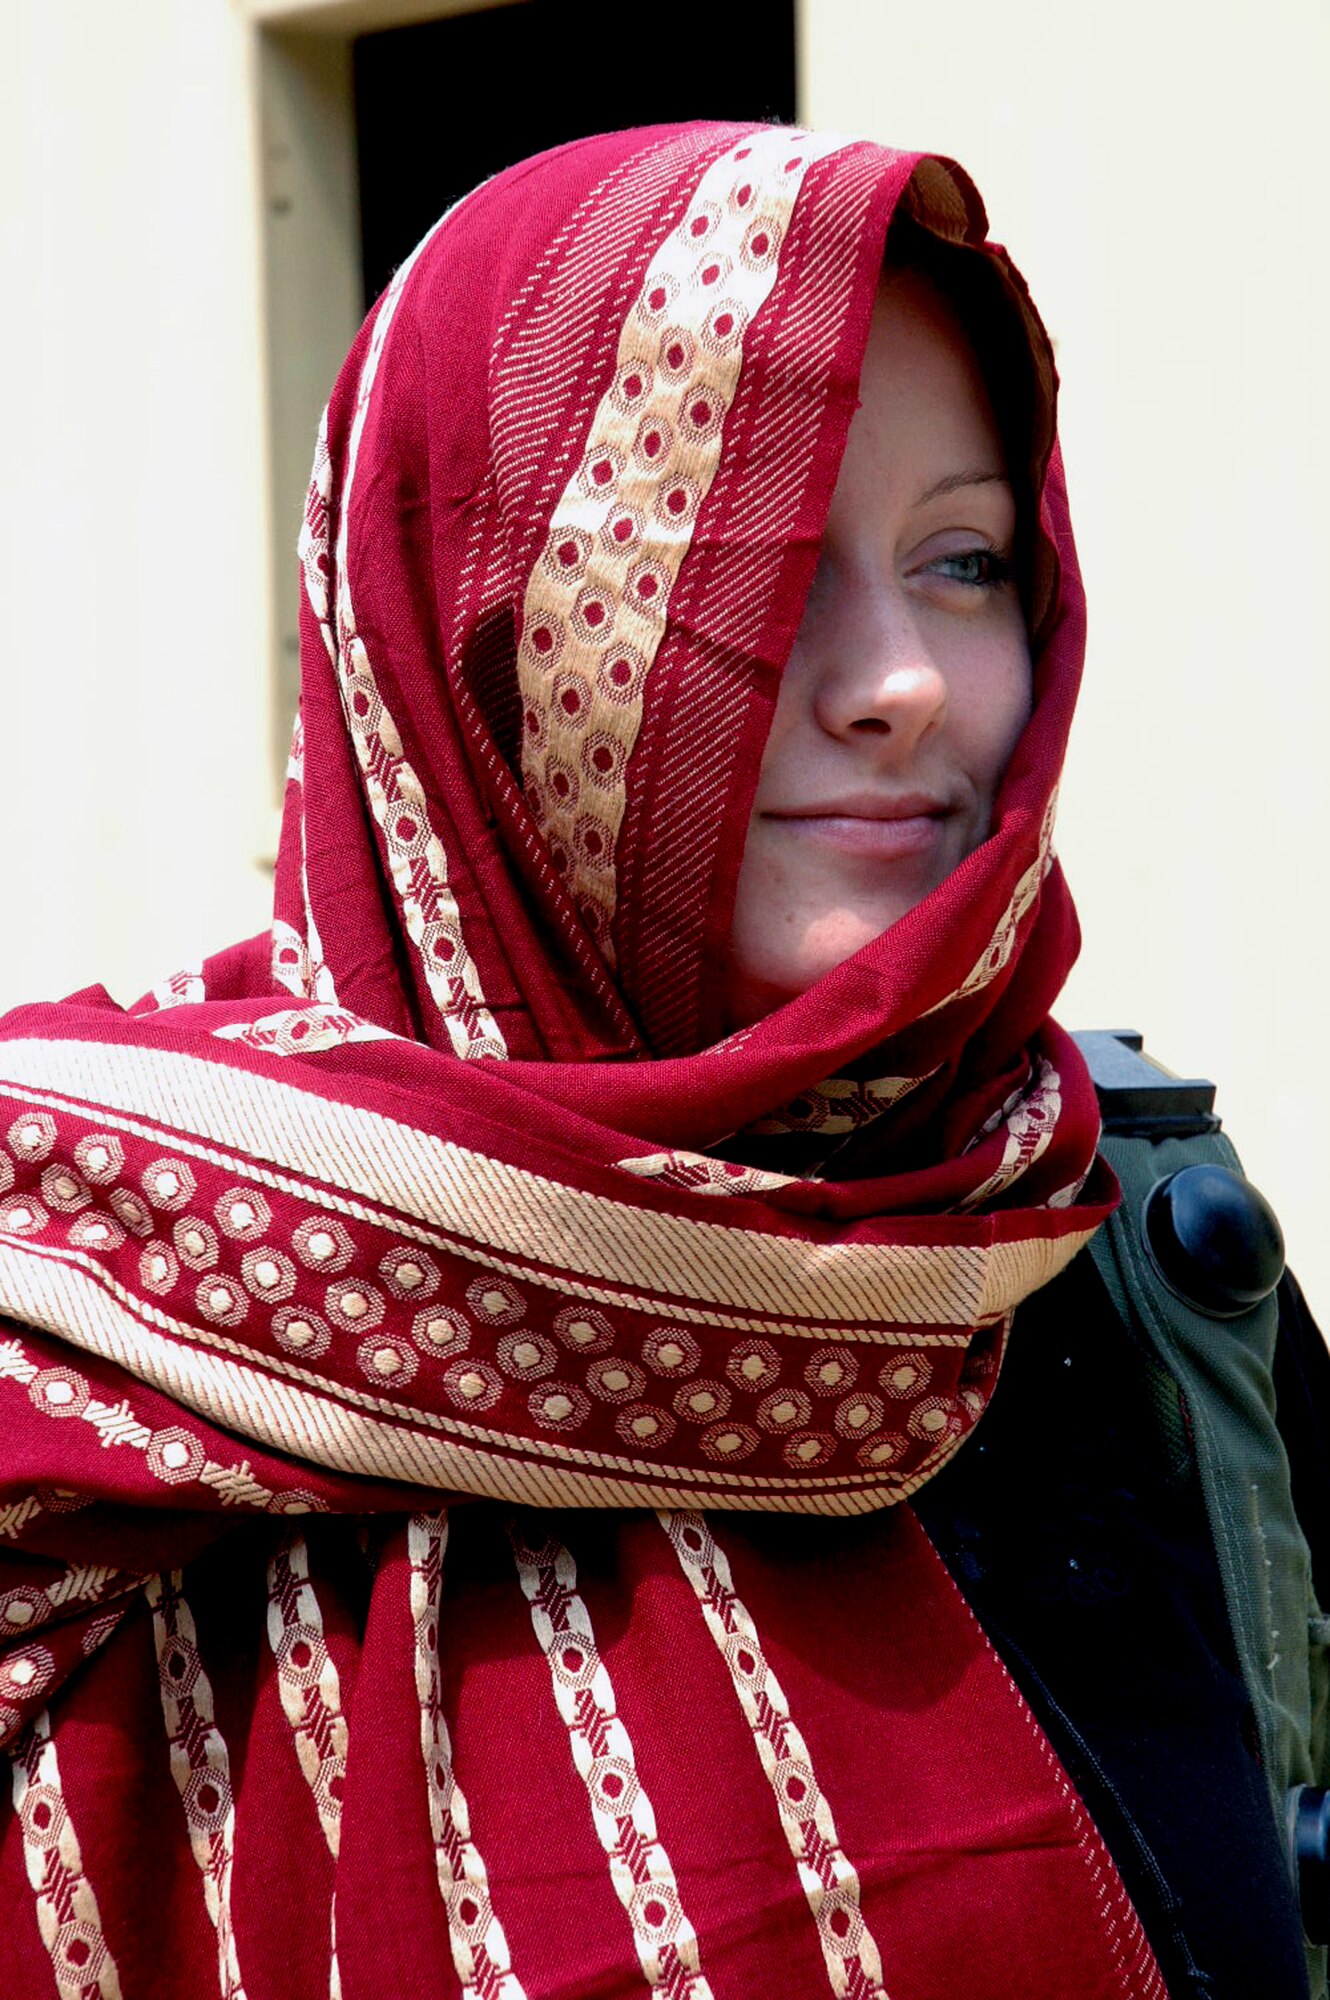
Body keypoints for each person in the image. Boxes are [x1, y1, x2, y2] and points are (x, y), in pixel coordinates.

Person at [0, 120, 1321, 1999]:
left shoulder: (1102, 1237)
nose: (909, 682)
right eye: (756, 562)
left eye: (963, 558)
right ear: (473, 631)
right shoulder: (87, 1330)